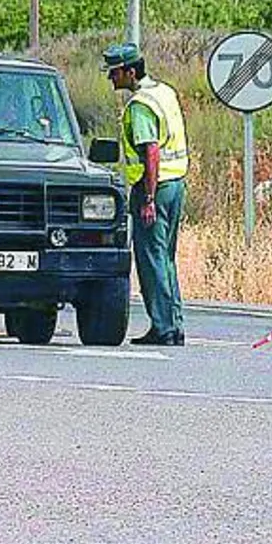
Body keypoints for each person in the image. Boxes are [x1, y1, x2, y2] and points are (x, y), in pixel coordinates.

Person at [104, 42, 189, 347]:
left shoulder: (140, 105)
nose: (111, 79)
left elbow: (150, 151)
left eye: (114, 72)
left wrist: (148, 198)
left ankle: (163, 327)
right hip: (175, 182)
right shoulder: (164, 92)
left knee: (152, 259)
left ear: (129, 71)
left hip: (153, 187)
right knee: (165, 258)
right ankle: (173, 323)